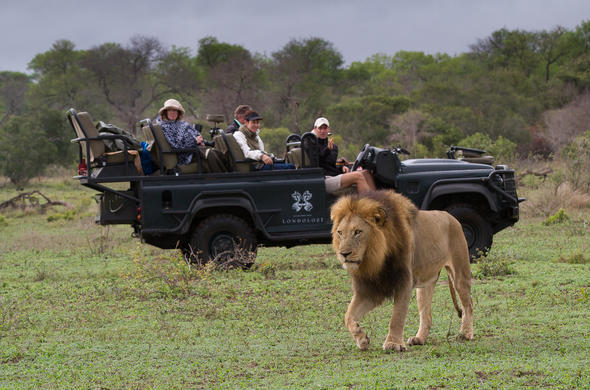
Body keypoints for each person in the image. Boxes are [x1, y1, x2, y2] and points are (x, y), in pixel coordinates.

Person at [156, 98, 227, 172]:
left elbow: (194, 134)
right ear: (165, 112)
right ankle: (223, 178)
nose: (172, 112)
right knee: (211, 154)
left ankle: (227, 176)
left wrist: (200, 140)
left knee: (218, 153)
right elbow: (176, 145)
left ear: (178, 112)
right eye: (170, 110)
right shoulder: (165, 127)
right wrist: (195, 141)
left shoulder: (179, 123)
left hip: (194, 148)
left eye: (175, 110)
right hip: (185, 154)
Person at [311, 117, 376, 193]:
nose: (322, 131)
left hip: (333, 176)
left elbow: (330, 164)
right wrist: (327, 150)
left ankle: (377, 201)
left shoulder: (333, 146)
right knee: (358, 176)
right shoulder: (311, 144)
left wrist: (341, 167)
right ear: (315, 129)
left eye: (325, 128)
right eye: (320, 128)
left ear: (328, 129)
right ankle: (369, 204)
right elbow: (317, 161)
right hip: (322, 179)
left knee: (366, 173)